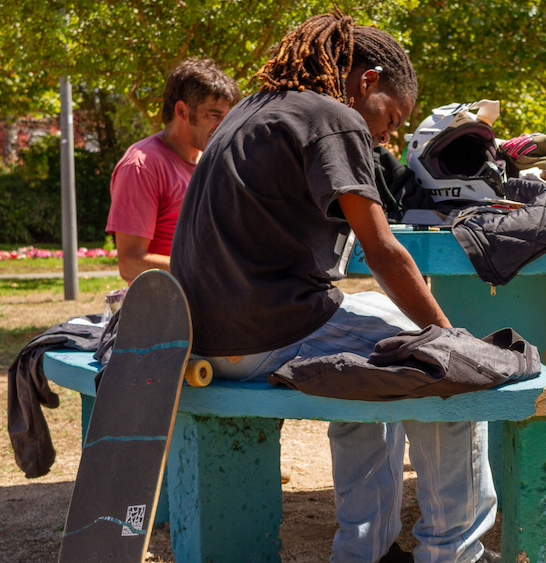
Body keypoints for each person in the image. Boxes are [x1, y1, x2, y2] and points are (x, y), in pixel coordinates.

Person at [169, 11, 497, 563]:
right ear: (366, 80)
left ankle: (367, 551)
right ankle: (454, 552)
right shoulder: (332, 116)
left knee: (372, 356)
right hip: (267, 333)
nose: (387, 134)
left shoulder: (252, 108)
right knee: (447, 375)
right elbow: (384, 253)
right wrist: (448, 340)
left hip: (204, 337)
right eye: (391, 116)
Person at [106, 58, 240, 283]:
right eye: (214, 115)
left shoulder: (214, 162)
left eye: (227, 118)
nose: (224, 126)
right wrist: (211, 271)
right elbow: (130, 264)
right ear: (182, 111)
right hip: (166, 311)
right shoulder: (141, 165)